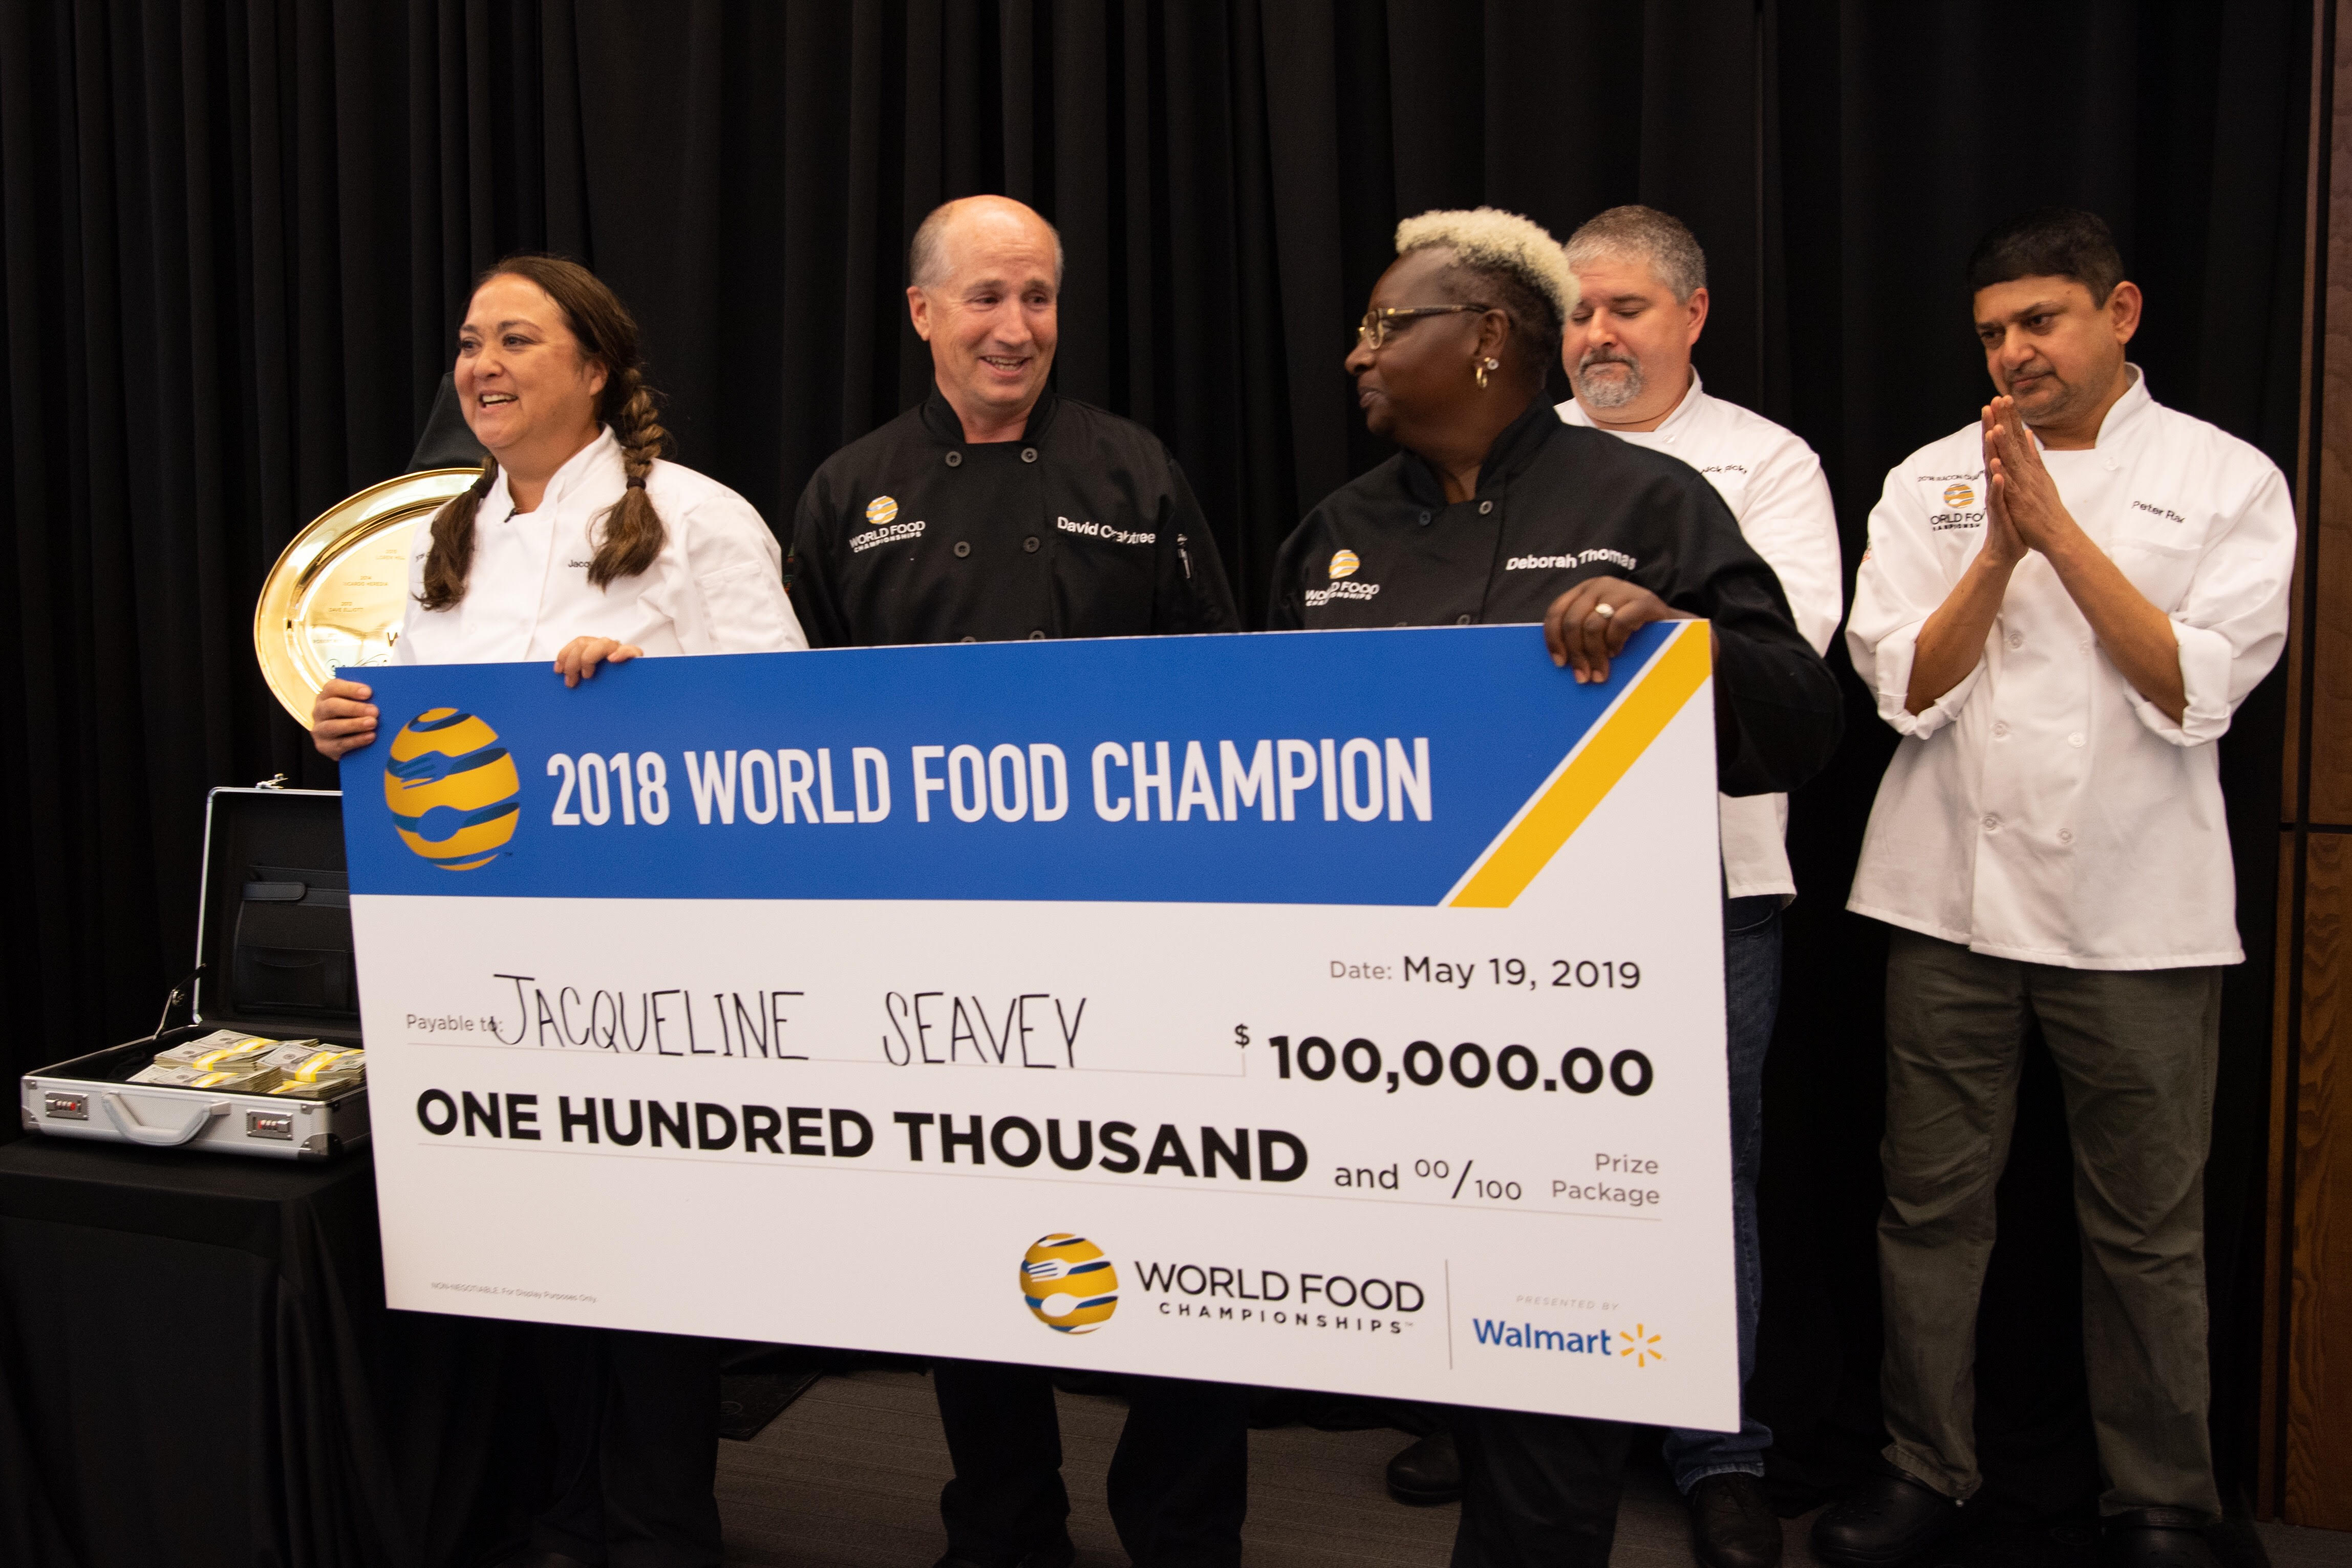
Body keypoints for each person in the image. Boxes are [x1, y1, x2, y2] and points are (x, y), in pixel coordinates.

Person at [1270, 207, 1843, 1568]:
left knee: (1561, 1390)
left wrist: (1678, 646)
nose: (1356, 351)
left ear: (1484, 345)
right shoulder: (1330, 537)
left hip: (1579, 1023)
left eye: (1386, 324)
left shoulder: (1648, 505)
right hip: (1388, 1010)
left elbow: (1799, 728)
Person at [1814, 209, 2294, 1568]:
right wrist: (1998, 544)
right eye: (1990, 331)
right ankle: (1924, 1469)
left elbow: (2195, 688)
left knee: (2145, 1223)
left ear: (2120, 313)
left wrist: (2061, 533)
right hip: (1943, 901)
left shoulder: (2227, 480)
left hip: (2138, 908)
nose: (2012, 351)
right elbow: (1902, 688)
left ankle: (2163, 1501)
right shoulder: (1925, 482)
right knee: (1928, 1207)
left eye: (2040, 320)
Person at [314, 254, 806, 1568]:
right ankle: (563, 1521)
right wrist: (352, 724)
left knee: (647, 1279)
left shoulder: (700, 519)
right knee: (528, 1267)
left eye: (516, 338)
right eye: (470, 339)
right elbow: (423, 748)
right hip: (484, 971)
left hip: (657, 970)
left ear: (594, 368)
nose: (481, 362)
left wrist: (652, 697)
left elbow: (792, 729)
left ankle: (656, 1534)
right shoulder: (444, 543)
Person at [788, 194, 1244, 1568]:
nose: (1016, 326)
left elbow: (1224, 699)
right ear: (923, 312)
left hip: (1138, 942)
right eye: (986, 296)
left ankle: (1179, 1530)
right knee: (970, 1252)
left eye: (1039, 296)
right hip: (936, 956)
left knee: (1177, 1243)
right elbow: (786, 728)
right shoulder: (842, 493)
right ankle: (1003, 1522)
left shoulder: (1136, 473)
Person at [1557, 204, 1838, 1568]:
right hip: (1530, 883)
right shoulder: (1519, 460)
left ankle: (1716, 1448)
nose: (1598, 335)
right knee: (1528, 1153)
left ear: (1692, 315)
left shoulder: (1766, 465)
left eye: (1625, 309)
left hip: (1713, 879)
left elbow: (1784, 662)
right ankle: (1526, 1409)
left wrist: (1635, 620)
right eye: (1577, 312)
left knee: (1702, 1162)